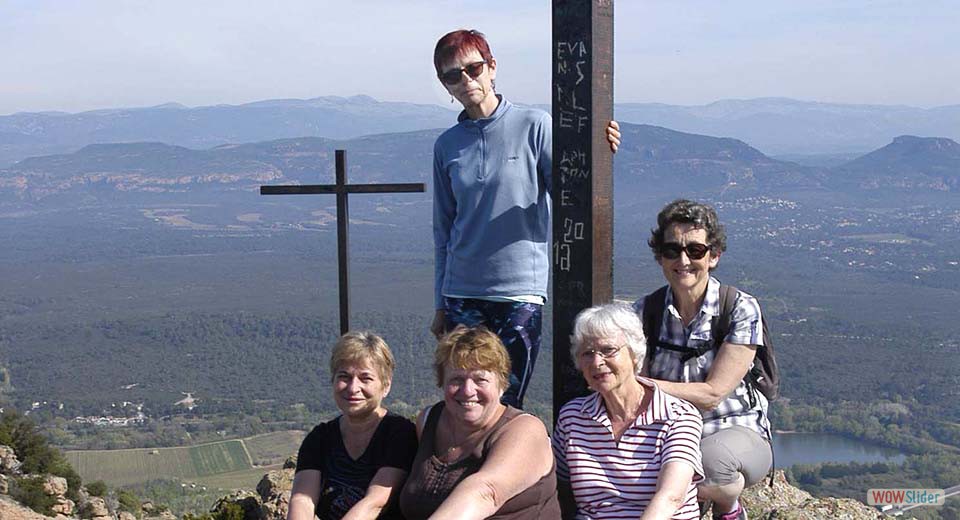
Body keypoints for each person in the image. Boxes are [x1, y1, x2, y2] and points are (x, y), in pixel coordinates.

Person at [430, 28, 621, 409]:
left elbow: (572, 186)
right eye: (453, 75)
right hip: (461, 292)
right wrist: (439, 302)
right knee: (466, 401)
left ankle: (506, 468)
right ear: (445, 84)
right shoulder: (447, 145)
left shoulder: (534, 126)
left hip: (519, 291)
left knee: (505, 398)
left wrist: (600, 149)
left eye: (473, 68)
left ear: (492, 67)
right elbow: (443, 229)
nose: (466, 80)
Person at [634, 199, 773, 520]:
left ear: (714, 256)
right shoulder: (645, 312)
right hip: (668, 432)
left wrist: (642, 385)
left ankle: (728, 507)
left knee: (702, 465)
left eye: (695, 250)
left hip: (735, 429)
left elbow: (712, 395)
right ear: (660, 257)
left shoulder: (738, 308)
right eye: (672, 250)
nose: (683, 260)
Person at [553, 303, 704, 520]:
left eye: (608, 350)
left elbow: (671, 496)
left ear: (634, 354)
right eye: (587, 353)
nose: (597, 362)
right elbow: (555, 483)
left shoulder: (677, 416)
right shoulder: (573, 418)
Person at [399, 325, 561, 519]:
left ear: (502, 384)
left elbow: (486, 492)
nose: (468, 390)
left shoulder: (525, 430)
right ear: (441, 381)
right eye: (457, 379)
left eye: (480, 379)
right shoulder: (428, 421)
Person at [288, 331, 417, 520]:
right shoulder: (320, 438)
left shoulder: (399, 433)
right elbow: (302, 500)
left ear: (386, 386)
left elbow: (374, 502)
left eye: (366, 378)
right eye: (344, 377)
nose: (353, 388)